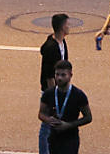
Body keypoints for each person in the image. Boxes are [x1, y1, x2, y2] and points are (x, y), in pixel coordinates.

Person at [38, 61, 91, 154]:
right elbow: (41, 114)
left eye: (63, 75)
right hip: (53, 138)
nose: (59, 78)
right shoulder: (49, 93)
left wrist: (69, 125)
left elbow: (88, 117)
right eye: (57, 74)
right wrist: (48, 120)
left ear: (70, 75)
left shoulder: (78, 95)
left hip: (71, 139)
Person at [39, 14, 70, 153]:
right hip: (51, 92)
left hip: (60, 90)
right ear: (62, 27)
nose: (69, 27)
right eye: (67, 24)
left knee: (54, 124)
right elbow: (49, 75)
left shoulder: (62, 43)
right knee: (47, 125)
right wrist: (54, 96)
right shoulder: (51, 47)